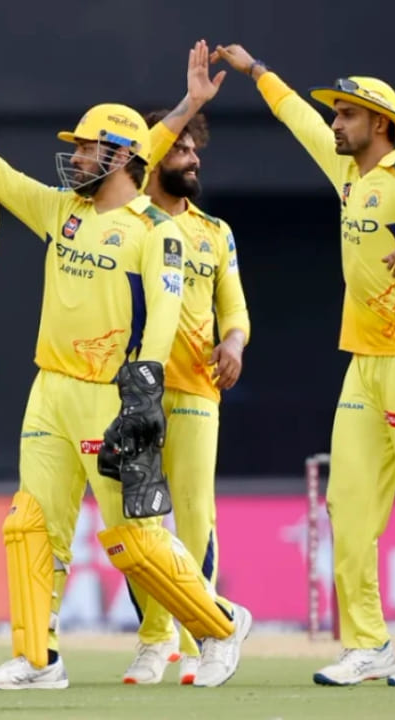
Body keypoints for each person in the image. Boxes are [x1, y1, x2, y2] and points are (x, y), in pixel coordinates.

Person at [0, 49, 250, 691]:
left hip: (112, 397)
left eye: (85, 149)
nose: (73, 159)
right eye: (73, 149)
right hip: (50, 389)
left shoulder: (156, 230)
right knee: (30, 524)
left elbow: (163, 313)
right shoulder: (62, 210)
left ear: (123, 157)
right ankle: (37, 659)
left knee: (134, 538)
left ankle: (218, 624)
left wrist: (144, 391)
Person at [215, 43, 395, 688]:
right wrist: (256, 72)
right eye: (335, 113)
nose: (335, 123)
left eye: (347, 115)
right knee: (346, 504)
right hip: (364, 364)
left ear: (378, 124)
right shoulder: (350, 176)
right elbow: (299, 120)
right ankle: (369, 645)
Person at [125, 101, 251, 684]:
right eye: (179, 147)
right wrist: (183, 109)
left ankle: (207, 635)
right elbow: (138, 154)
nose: (192, 157)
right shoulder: (128, 217)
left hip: (197, 388)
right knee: (140, 521)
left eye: (195, 149)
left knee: (196, 517)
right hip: (132, 393)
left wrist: (234, 343)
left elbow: (236, 310)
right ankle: (157, 640)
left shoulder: (215, 232)